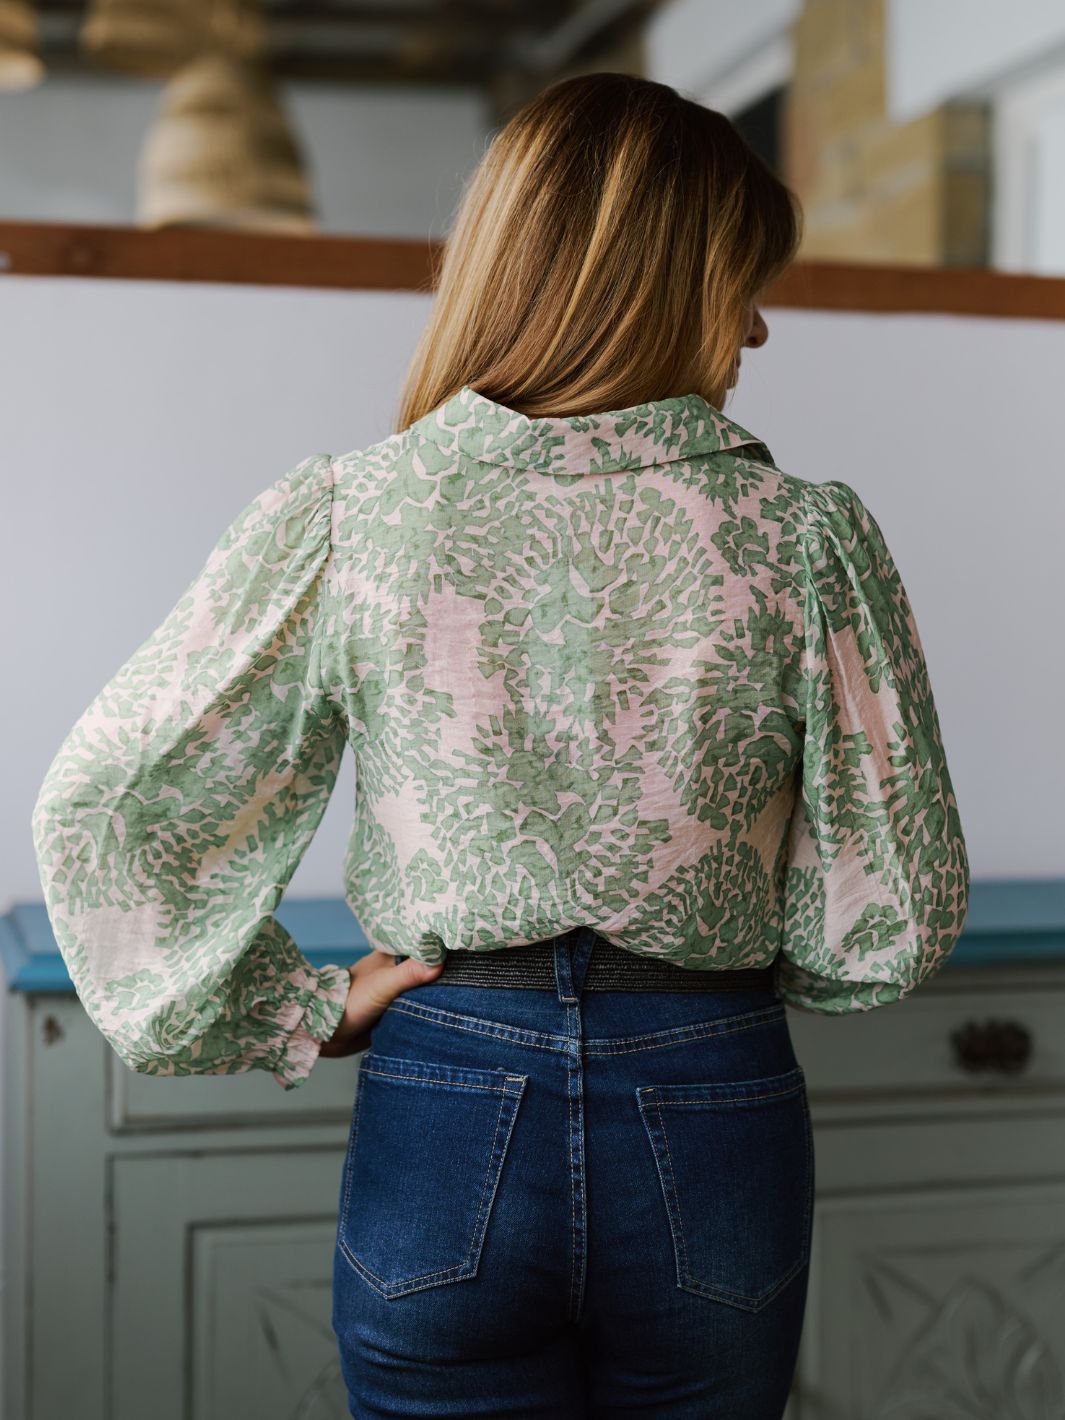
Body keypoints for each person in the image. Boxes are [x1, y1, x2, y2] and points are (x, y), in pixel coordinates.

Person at [31, 71, 970, 1420]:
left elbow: (110, 805)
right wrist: (757, 973)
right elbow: (896, 895)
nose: (758, 327)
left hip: (446, 1089)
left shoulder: (353, 514)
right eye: (740, 286)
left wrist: (292, 1010)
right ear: (655, 287)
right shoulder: (803, 536)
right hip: (711, 1093)